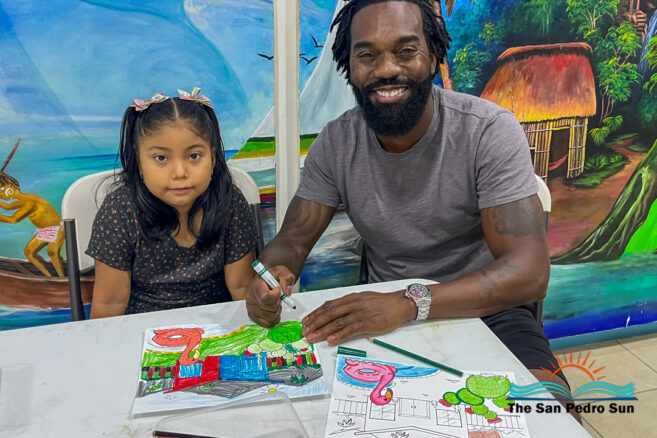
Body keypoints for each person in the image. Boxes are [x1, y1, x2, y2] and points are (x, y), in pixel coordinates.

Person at [245, 0, 576, 406]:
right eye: (367, 55)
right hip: (381, 319)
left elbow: (528, 274)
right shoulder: (336, 143)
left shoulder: (488, 131)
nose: (386, 69)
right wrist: (268, 278)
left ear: (433, 55)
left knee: (555, 416)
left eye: (406, 51)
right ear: (349, 66)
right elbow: (292, 241)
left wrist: (408, 303)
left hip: (491, 313)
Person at [87, 88, 257, 318]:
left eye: (194, 156)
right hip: (142, 328)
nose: (179, 172)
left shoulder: (229, 201)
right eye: (161, 158)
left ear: (213, 157)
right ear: (139, 161)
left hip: (217, 327)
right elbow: (109, 306)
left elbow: (242, 289)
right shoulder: (120, 211)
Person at [0, 170, 65, 277]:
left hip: (57, 229)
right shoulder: (23, 199)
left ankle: (62, 278)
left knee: (52, 252)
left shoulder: (29, 201)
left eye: (1, 190)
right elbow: (8, 207)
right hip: (45, 230)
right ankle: (49, 277)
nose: (1, 195)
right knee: (29, 252)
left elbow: (13, 219)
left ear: (10, 187)